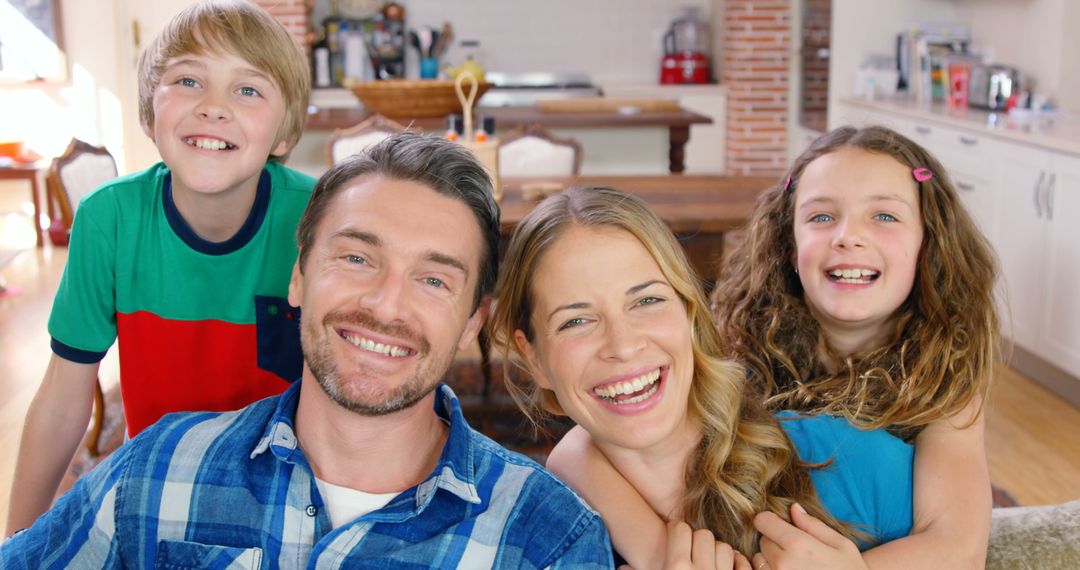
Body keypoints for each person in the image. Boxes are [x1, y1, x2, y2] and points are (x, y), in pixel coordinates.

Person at [0, 134, 614, 568]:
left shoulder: (547, 542)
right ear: (298, 277)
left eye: (433, 279)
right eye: (356, 258)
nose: (386, 304)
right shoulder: (156, 469)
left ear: (471, 322)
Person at [5, 0, 316, 536]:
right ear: (150, 111)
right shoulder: (109, 219)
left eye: (247, 89)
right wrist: (16, 542)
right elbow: (62, 396)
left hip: (286, 492)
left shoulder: (317, 220)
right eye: (189, 80)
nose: (214, 107)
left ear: (284, 134)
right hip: (155, 485)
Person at [489, 185, 915, 569]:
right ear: (534, 359)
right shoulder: (545, 538)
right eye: (576, 321)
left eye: (647, 300)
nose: (622, 345)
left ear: (690, 314)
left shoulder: (847, 460)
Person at [712, 125, 998, 568]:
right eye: (821, 217)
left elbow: (958, 547)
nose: (848, 236)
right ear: (789, 246)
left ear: (928, 243)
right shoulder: (731, 353)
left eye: (884, 216)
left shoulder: (946, 379)